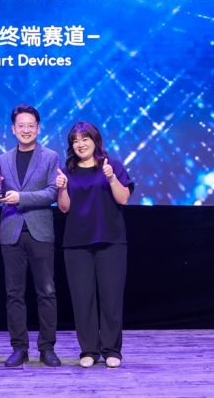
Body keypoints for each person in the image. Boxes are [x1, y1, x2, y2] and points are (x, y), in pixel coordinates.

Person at [55, 121, 133, 369]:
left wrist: (111, 179)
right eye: (75, 140)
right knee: (82, 299)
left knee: (111, 298)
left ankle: (111, 350)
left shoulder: (112, 166)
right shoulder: (67, 171)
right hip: (76, 243)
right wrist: (62, 189)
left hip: (111, 240)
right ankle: (88, 350)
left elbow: (123, 198)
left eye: (85, 138)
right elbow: (64, 208)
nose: (80, 144)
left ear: (95, 140)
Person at [0, 104, 61, 367]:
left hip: (40, 231)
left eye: (31, 125)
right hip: (11, 232)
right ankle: (19, 348)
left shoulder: (50, 157)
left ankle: (47, 348)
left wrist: (21, 197)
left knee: (46, 292)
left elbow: (52, 192)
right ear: (13, 129)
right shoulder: (2, 159)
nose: (26, 130)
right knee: (14, 294)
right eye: (22, 125)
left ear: (38, 128)